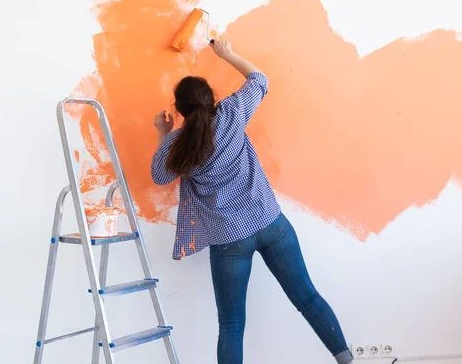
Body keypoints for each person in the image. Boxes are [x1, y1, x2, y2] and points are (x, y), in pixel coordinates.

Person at [151, 40, 354, 364]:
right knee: (308, 297)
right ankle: (347, 360)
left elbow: (159, 175)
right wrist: (227, 54)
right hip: (271, 223)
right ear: (211, 98)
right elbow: (260, 80)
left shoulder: (178, 143)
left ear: (179, 109)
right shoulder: (232, 113)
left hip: (229, 240)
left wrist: (163, 132)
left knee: (231, 325)